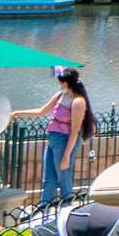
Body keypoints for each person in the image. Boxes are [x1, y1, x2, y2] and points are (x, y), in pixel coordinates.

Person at [34, 67, 94, 205]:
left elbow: (75, 131)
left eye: (60, 82)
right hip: (53, 139)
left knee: (63, 178)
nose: (59, 85)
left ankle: (66, 208)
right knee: (48, 178)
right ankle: (44, 207)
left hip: (64, 141)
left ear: (66, 83)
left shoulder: (78, 101)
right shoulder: (60, 95)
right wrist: (17, 113)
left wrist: (66, 155)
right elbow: (42, 111)